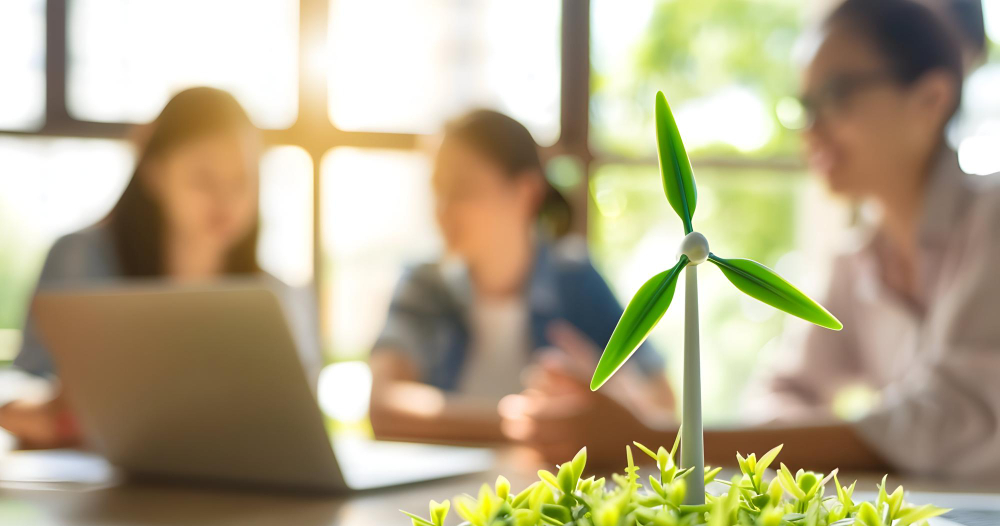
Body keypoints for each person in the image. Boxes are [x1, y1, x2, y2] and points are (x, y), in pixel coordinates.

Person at [501, 0, 1000, 480]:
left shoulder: (990, 220)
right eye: (805, 104)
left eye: (837, 95)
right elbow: (782, 393)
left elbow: (949, 418)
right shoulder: (858, 257)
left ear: (931, 99)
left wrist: (657, 441)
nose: (810, 128)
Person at [0, 87, 319, 449]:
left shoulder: (278, 295)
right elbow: (24, 381)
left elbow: (301, 418)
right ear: (154, 173)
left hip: (236, 484)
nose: (225, 200)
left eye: (241, 181)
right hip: (94, 480)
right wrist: (38, 411)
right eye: (204, 179)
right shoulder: (80, 258)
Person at [368, 109, 673, 445]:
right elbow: (382, 405)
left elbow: (663, 405)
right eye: (438, 189)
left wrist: (613, 392)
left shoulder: (577, 281)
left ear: (526, 192)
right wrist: (524, 421)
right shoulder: (424, 285)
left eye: (462, 188)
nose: (443, 208)